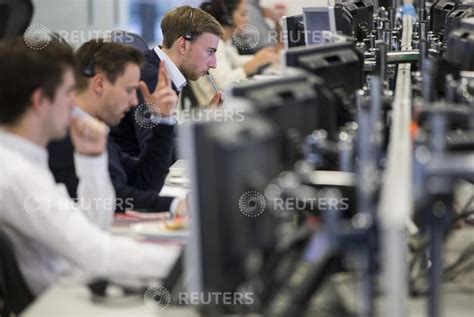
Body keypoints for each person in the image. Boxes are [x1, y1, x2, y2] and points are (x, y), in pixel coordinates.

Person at [0, 37, 180, 296]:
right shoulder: (19, 175)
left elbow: (96, 225)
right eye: (68, 93)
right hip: (60, 299)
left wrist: (91, 160)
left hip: (73, 286)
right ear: (40, 101)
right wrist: (188, 261)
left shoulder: (25, 159)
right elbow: (95, 252)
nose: (75, 104)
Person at [48, 39, 186, 214]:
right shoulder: (63, 134)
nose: (134, 102)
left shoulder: (96, 129)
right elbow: (113, 197)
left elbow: (144, 183)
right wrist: (175, 205)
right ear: (99, 84)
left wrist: (163, 121)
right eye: (129, 90)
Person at [110, 5, 224, 157]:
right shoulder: (152, 79)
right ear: (184, 45)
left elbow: (167, 133)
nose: (213, 64)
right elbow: (158, 150)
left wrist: (207, 119)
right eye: (210, 52)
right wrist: (204, 135)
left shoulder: (156, 67)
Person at [191, 0, 280, 107]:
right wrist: (255, 62)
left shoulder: (224, 42)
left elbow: (234, 60)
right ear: (227, 18)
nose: (248, 19)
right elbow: (225, 84)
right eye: (243, 14)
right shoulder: (214, 45)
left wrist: (263, 57)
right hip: (216, 110)